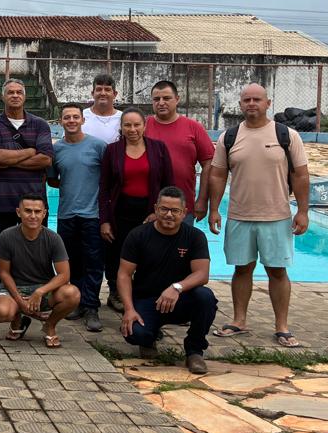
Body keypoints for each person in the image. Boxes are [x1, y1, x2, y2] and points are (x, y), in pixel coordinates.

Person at [208, 83, 310, 347]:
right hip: (240, 215)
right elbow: (217, 175)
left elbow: (301, 175)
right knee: (242, 269)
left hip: (277, 216)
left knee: (277, 271)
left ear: (268, 103)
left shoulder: (286, 136)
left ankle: (282, 326)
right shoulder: (229, 137)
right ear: (240, 105)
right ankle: (239, 320)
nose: (251, 104)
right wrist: (214, 209)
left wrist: (303, 211)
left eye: (257, 99)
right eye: (246, 100)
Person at [119, 186, 218, 374]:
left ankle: (194, 351)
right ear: (156, 209)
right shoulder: (138, 235)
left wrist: (177, 287)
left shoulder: (194, 236)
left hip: (180, 299)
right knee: (134, 333)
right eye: (164, 209)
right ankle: (149, 339)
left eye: (175, 210)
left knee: (205, 297)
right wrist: (129, 309)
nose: (169, 215)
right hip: (147, 299)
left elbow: (202, 274)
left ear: (184, 212)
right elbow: (124, 274)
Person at [99, 108, 173, 312]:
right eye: (127, 125)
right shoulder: (112, 150)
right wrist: (104, 220)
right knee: (117, 252)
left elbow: (168, 184)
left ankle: (144, 294)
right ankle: (115, 293)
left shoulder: (158, 148)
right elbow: (104, 188)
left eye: (136, 124)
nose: (132, 129)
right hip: (120, 210)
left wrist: (158, 212)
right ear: (121, 127)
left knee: (148, 254)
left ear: (144, 126)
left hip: (149, 211)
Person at [0, 194, 80, 346]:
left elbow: (64, 275)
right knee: (1, 312)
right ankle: (17, 320)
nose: (33, 216)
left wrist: (40, 292)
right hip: (14, 288)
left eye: (37, 211)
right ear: (18, 212)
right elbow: (4, 273)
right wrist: (19, 300)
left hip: (43, 289)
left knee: (73, 294)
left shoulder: (53, 238)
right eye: (28, 211)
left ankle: (50, 326)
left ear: (44, 213)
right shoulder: (6, 236)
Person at [49, 103, 107, 332]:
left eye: (75, 117)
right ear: (60, 121)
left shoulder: (98, 146)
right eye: (67, 117)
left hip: (92, 215)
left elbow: (108, 179)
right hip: (66, 214)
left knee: (93, 262)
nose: (71, 121)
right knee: (70, 262)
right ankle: (77, 301)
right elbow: (52, 179)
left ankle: (91, 306)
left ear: (83, 120)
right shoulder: (57, 150)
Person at [0, 78, 53, 250]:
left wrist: (7, 161)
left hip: (34, 204)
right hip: (0, 203)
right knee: (0, 254)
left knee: (36, 254)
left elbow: (45, 159)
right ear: (3, 97)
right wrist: (30, 151)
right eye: (10, 92)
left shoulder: (40, 124)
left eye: (19, 92)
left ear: (24, 97)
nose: (15, 95)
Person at [144, 80, 215, 223]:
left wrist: (202, 199)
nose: (161, 103)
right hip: (147, 205)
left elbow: (209, 163)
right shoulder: (143, 126)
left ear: (177, 99)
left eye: (166, 98)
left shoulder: (194, 127)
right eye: (156, 99)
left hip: (183, 207)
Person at [82, 73, 122, 144]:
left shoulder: (123, 118)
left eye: (107, 90)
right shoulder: (80, 116)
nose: (103, 93)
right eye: (99, 89)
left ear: (115, 94)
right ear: (92, 93)